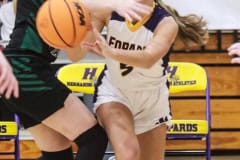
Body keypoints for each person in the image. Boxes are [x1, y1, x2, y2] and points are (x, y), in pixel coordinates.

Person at [1, 0, 152, 160]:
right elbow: (77, 4)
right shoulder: (66, 4)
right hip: (25, 70)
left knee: (58, 155)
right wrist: (113, 4)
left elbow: (75, 55)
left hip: (21, 72)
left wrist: (89, 28)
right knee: (93, 139)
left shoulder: (68, 10)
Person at [66, 0, 209, 160]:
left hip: (152, 101)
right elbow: (78, 52)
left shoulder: (166, 23)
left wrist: (110, 52)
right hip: (115, 93)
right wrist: (70, 32)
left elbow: (148, 59)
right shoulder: (109, 10)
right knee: (129, 153)